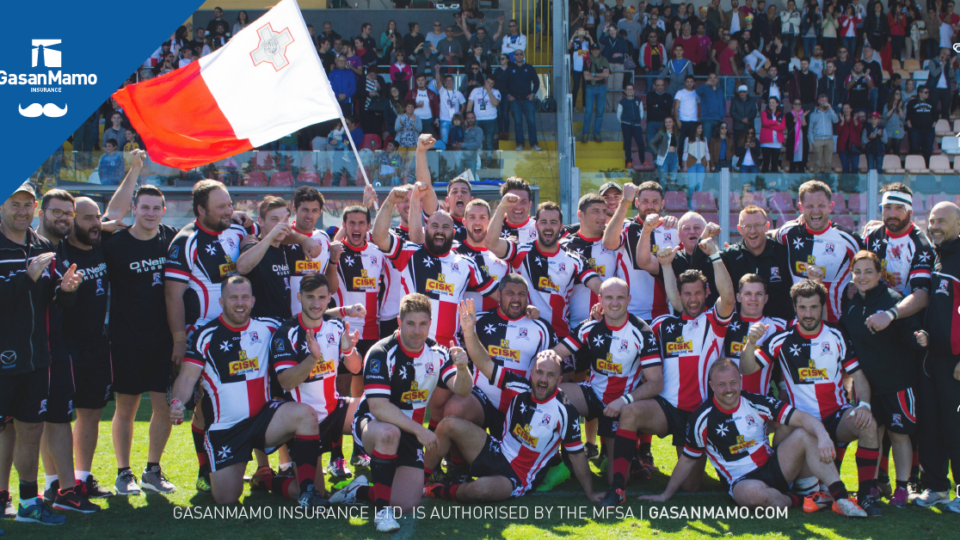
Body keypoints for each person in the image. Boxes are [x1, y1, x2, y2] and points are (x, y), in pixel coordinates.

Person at [597, 233, 735, 506]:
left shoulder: (713, 323)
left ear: (707, 293)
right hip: (666, 407)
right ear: (680, 296)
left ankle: (713, 466)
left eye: (698, 293)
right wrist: (599, 311)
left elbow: (729, 298)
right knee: (631, 411)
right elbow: (628, 323)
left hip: (698, 413)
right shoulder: (663, 325)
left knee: (691, 487)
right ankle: (618, 488)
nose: (693, 299)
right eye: (687, 294)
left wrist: (715, 255)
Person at [168, 276, 328, 508]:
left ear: (253, 300)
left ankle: (307, 491)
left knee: (306, 415)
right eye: (233, 298)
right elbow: (187, 377)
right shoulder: (206, 335)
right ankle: (265, 480)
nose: (240, 303)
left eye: (245, 297)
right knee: (226, 499)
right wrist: (176, 402)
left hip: (264, 420)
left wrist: (345, 311)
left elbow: (311, 316)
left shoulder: (269, 326)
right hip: (228, 429)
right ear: (222, 301)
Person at [638, 359, 868, 517]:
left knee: (804, 433)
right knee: (757, 496)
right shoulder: (701, 418)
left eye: (733, 383)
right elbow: (688, 459)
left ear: (740, 381)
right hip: (742, 481)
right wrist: (665, 494)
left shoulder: (756, 402)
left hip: (774, 468)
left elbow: (802, 418)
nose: (729, 389)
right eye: (721, 385)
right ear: (711, 386)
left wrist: (823, 436)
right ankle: (800, 499)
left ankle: (841, 498)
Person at [740, 280, 882, 516]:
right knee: (809, 489)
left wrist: (864, 406)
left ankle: (867, 495)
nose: (808, 313)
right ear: (795, 307)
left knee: (868, 424)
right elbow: (746, 369)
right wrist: (750, 343)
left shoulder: (836, 335)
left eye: (814, 307)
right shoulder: (780, 339)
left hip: (836, 416)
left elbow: (857, 376)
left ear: (822, 307)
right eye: (803, 307)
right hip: (801, 424)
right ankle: (817, 491)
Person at [424, 307, 595, 504]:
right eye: (539, 372)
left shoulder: (565, 411)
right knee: (448, 423)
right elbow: (485, 363)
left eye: (550, 375)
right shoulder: (519, 387)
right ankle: (422, 480)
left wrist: (590, 493)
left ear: (559, 379)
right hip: (496, 451)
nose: (543, 380)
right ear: (531, 373)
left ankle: (439, 491)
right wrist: (469, 331)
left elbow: (577, 456)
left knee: (480, 490)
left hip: (516, 478)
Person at [349, 293, 471, 531]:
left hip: (410, 434)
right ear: (399, 322)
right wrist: (420, 431)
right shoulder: (380, 352)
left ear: (430, 323)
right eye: (411, 323)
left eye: (423, 324)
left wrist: (464, 368)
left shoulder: (438, 352)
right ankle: (382, 513)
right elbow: (378, 407)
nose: (417, 331)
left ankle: (359, 490)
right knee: (389, 433)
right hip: (373, 424)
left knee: (406, 504)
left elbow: (463, 390)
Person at [0, 182, 81, 525]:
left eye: (27, 204)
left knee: (31, 430)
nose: (21, 210)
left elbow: (52, 301)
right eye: (14, 204)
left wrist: (66, 290)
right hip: (3, 358)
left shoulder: (42, 245)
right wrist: (25, 277)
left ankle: (28, 502)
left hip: (37, 358)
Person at [435, 276, 555, 474]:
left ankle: (554, 458)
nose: (516, 299)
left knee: (509, 467)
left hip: (518, 403)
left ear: (528, 298)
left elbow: (552, 371)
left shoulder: (542, 327)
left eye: (521, 294)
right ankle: (458, 467)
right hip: (482, 397)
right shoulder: (478, 320)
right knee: (455, 408)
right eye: (510, 293)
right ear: (499, 295)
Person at [551, 278, 663, 485]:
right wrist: (543, 361)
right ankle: (560, 459)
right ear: (600, 300)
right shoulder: (590, 325)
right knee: (553, 395)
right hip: (592, 395)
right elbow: (557, 353)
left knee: (616, 480)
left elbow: (656, 382)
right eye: (609, 297)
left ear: (629, 299)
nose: (614, 302)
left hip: (620, 405)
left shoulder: (642, 332)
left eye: (620, 297)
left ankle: (628, 456)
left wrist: (625, 401)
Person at [840, 251, 923, 508]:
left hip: (898, 384)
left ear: (879, 274)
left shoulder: (895, 301)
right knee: (872, 434)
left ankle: (901, 487)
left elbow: (911, 335)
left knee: (899, 436)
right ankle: (872, 485)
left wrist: (919, 338)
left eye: (868, 271)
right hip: (867, 387)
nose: (862, 276)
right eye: (858, 272)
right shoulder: (851, 305)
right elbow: (846, 343)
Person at [268, 273, 363, 497]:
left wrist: (349, 350)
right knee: (314, 492)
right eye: (310, 297)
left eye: (321, 297)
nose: (316, 303)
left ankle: (388, 480)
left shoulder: (336, 326)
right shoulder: (285, 333)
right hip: (303, 423)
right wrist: (312, 359)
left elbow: (357, 368)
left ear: (329, 298)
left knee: (378, 413)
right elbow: (286, 381)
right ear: (299, 297)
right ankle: (266, 481)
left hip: (333, 410)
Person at [485, 196, 601, 341]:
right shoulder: (521, 251)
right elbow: (490, 243)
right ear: (536, 225)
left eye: (553, 222)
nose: (548, 226)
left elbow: (598, 285)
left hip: (558, 336)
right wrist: (502, 207)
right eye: (543, 222)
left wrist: (603, 301)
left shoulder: (575, 259)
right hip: (524, 334)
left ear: (560, 227)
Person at [912, 202, 960, 511]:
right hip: (931, 361)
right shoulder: (935, 257)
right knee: (932, 425)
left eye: (942, 220)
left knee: (957, 428)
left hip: (956, 364)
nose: (935, 225)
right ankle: (936, 487)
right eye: (931, 220)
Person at [774, 180, 862, 323]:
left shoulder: (849, 240)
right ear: (801, 207)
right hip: (798, 326)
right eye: (809, 206)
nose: (816, 211)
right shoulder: (788, 232)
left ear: (831, 206)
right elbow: (768, 236)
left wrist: (855, 283)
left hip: (837, 324)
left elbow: (871, 266)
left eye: (821, 205)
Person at [559, 194, 620, 325]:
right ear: (580, 215)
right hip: (574, 326)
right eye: (595, 211)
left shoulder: (616, 244)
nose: (602, 217)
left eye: (604, 211)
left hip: (610, 325)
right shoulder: (564, 246)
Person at [506, 50, 541, 151]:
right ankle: (519, 144)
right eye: (517, 54)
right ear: (514, 56)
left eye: (521, 54)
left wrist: (533, 93)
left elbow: (537, 81)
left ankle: (534, 144)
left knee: (531, 122)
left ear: (523, 56)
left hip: (527, 100)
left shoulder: (529, 68)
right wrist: (508, 95)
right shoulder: (510, 68)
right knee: (518, 123)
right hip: (515, 101)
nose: (519, 56)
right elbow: (503, 83)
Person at [580, 44, 610, 143]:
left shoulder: (604, 60)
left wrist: (593, 74)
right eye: (594, 50)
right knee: (588, 111)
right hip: (590, 88)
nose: (596, 51)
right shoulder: (587, 62)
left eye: (597, 50)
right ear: (591, 51)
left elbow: (606, 74)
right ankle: (586, 133)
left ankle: (597, 134)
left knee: (599, 112)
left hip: (601, 88)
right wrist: (599, 76)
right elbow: (586, 77)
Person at [467, 75, 502, 151]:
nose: (489, 84)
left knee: (489, 141)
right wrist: (468, 118)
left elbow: (495, 103)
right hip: (476, 119)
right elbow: (469, 104)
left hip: (490, 119)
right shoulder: (475, 90)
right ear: (485, 81)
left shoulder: (496, 92)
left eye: (491, 83)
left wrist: (489, 91)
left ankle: (488, 161)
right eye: (488, 82)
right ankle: (477, 160)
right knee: (475, 141)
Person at [808, 94, 839, 174]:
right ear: (818, 101)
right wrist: (812, 141)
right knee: (817, 163)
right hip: (818, 140)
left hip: (829, 139)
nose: (824, 102)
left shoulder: (830, 112)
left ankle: (827, 182)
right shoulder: (813, 114)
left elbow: (836, 120)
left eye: (825, 101)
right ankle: (815, 182)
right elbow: (810, 128)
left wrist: (830, 109)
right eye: (822, 100)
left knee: (828, 163)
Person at [617, 83, 645, 168]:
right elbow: (618, 114)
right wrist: (624, 122)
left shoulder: (638, 100)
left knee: (641, 143)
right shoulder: (622, 102)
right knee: (627, 143)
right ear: (625, 91)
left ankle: (643, 161)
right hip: (626, 125)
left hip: (636, 125)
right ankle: (629, 161)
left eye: (631, 89)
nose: (629, 91)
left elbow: (641, 112)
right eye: (628, 89)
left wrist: (637, 120)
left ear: (634, 91)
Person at [906, 86, 935, 165]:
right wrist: (911, 129)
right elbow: (908, 117)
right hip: (915, 130)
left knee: (928, 150)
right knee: (914, 149)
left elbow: (936, 116)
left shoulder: (931, 102)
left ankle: (926, 167)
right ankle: (913, 166)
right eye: (925, 92)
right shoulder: (912, 103)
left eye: (928, 92)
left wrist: (932, 127)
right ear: (920, 93)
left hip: (928, 130)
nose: (927, 94)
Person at [924, 48, 953, 121]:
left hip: (946, 89)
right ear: (942, 54)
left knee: (946, 109)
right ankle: (933, 123)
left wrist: (951, 65)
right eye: (947, 55)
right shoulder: (932, 61)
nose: (948, 57)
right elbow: (934, 74)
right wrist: (941, 66)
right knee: (933, 107)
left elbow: (951, 75)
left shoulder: (948, 62)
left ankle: (946, 124)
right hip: (935, 88)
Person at [759, 97, 785, 172]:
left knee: (775, 163)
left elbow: (782, 126)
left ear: (777, 104)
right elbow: (764, 122)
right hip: (766, 142)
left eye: (773, 102)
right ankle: (763, 182)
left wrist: (770, 126)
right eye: (770, 102)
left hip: (776, 142)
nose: (771, 104)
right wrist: (775, 123)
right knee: (766, 163)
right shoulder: (764, 113)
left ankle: (774, 182)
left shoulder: (781, 114)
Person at [681, 123, 709, 196]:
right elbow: (685, 152)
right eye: (699, 128)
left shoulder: (704, 139)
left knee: (700, 184)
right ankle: (691, 203)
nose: (700, 130)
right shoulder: (688, 139)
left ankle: (698, 203)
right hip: (691, 164)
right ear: (695, 129)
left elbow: (706, 152)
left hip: (702, 164)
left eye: (701, 128)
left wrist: (708, 164)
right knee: (692, 184)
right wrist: (685, 165)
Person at [645, 78, 673, 150]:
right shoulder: (649, 95)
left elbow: (669, 106)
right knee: (650, 143)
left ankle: (660, 160)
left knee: (663, 145)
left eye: (662, 85)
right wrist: (663, 103)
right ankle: (650, 160)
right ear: (654, 86)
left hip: (664, 124)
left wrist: (657, 105)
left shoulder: (668, 96)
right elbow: (651, 102)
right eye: (658, 85)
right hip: (651, 123)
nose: (660, 87)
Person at [730, 85, 757, 157]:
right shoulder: (734, 100)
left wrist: (747, 118)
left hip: (749, 126)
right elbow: (732, 112)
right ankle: (738, 162)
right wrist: (742, 119)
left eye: (744, 92)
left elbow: (754, 112)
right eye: (740, 92)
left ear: (747, 92)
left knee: (749, 144)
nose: (742, 93)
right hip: (738, 127)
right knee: (738, 145)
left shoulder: (752, 100)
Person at [836, 103, 862, 174]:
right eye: (844, 108)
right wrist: (842, 122)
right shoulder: (840, 119)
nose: (846, 110)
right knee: (845, 167)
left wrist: (855, 121)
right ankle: (845, 185)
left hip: (854, 147)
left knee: (855, 167)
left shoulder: (856, 119)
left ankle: (854, 185)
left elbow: (859, 129)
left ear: (851, 109)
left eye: (847, 108)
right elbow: (838, 131)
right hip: (843, 148)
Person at [673, 75, 700, 142]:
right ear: (685, 82)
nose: (689, 83)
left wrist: (699, 118)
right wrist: (677, 120)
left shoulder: (697, 93)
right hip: (683, 120)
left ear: (694, 83)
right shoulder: (680, 93)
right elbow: (675, 107)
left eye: (691, 82)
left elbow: (699, 106)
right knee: (682, 142)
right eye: (687, 81)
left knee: (692, 142)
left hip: (694, 121)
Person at [784, 98, 809, 172]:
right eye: (795, 104)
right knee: (792, 165)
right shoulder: (788, 115)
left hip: (802, 141)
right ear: (793, 105)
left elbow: (805, 128)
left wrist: (803, 117)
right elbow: (790, 126)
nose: (797, 105)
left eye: (799, 104)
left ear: (801, 105)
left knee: (801, 164)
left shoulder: (805, 115)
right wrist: (796, 117)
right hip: (792, 141)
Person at [883, 89, 906, 155]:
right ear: (893, 95)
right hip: (888, 130)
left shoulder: (903, 106)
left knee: (896, 147)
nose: (898, 95)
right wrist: (893, 109)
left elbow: (904, 119)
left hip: (897, 130)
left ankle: (896, 163)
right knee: (887, 148)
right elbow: (885, 117)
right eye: (896, 93)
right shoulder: (887, 105)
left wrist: (899, 109)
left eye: (899, 94)